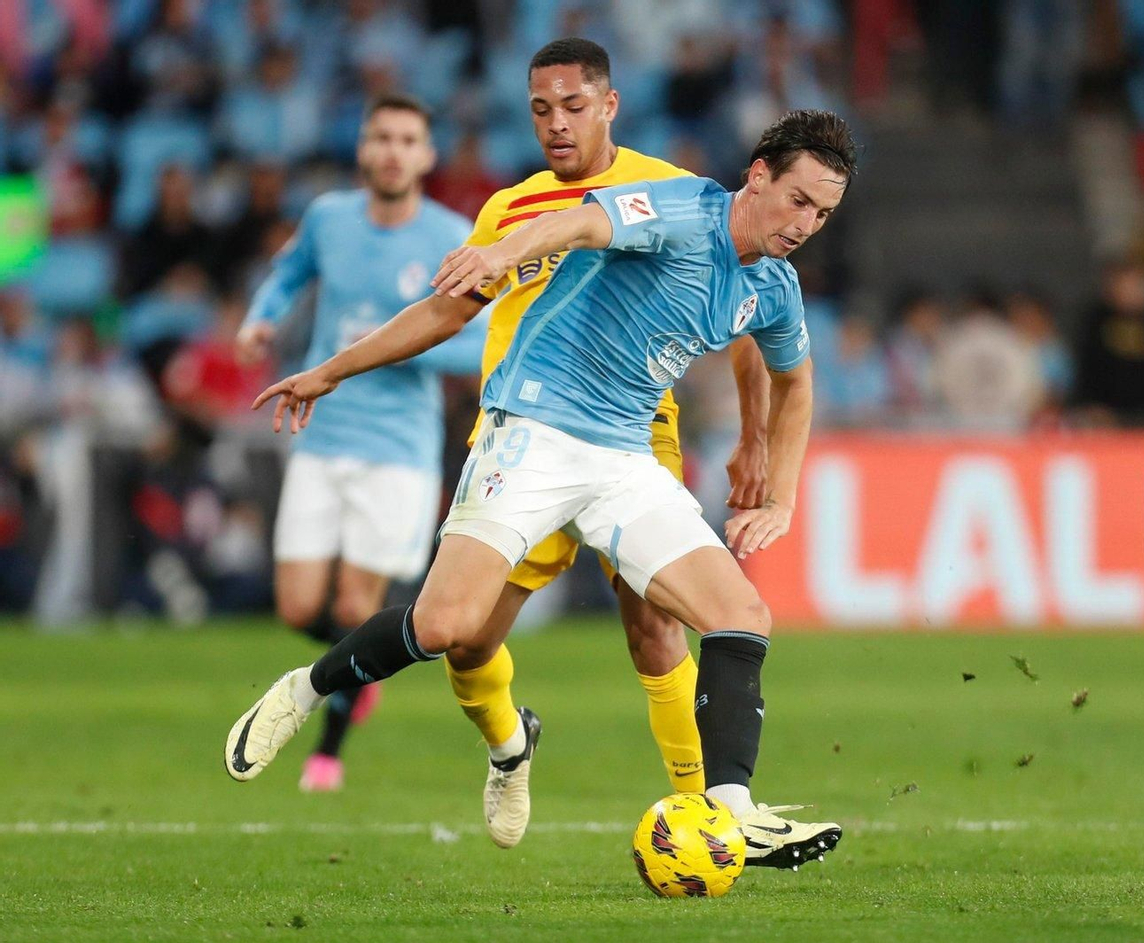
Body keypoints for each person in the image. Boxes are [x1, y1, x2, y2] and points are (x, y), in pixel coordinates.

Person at [225, 108, 859, 870]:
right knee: (446, 626)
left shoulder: (775, 287)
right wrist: (499, 253)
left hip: (624, 456)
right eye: (799, 201)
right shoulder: (684, 210)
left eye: (823, 213)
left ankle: (733, 810)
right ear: (759, 174)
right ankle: (306, 687)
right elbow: (581, 225)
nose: (807, 223)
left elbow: (795, 378)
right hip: (534, 431)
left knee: (740, 613)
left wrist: (781, 494)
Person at [442, 37, 774, 847]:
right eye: (541, 111)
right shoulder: (506, 210)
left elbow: (744, 314)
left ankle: (706, 817)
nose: (557, 125)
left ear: (610, 104)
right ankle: (509, 745)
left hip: (634, 439)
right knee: (467, 637)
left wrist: (753, 434)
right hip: (524, 442)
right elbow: (455, 312)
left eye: (574, 106)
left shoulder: (671, 190)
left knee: (655, 626)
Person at [233, 94, 486, 793]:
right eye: (382, 137)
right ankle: (360, 671)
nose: (394, 151)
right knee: (295, 605)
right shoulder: (328, 218)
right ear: (363, 149)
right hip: (322, 433)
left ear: (427, 155)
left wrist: (403, 349)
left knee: (353, 607)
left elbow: (485, 344)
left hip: (397, 446)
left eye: (409, 138)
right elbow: (288, 273)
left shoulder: (453, 237)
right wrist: (262, 319)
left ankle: (328, 751)